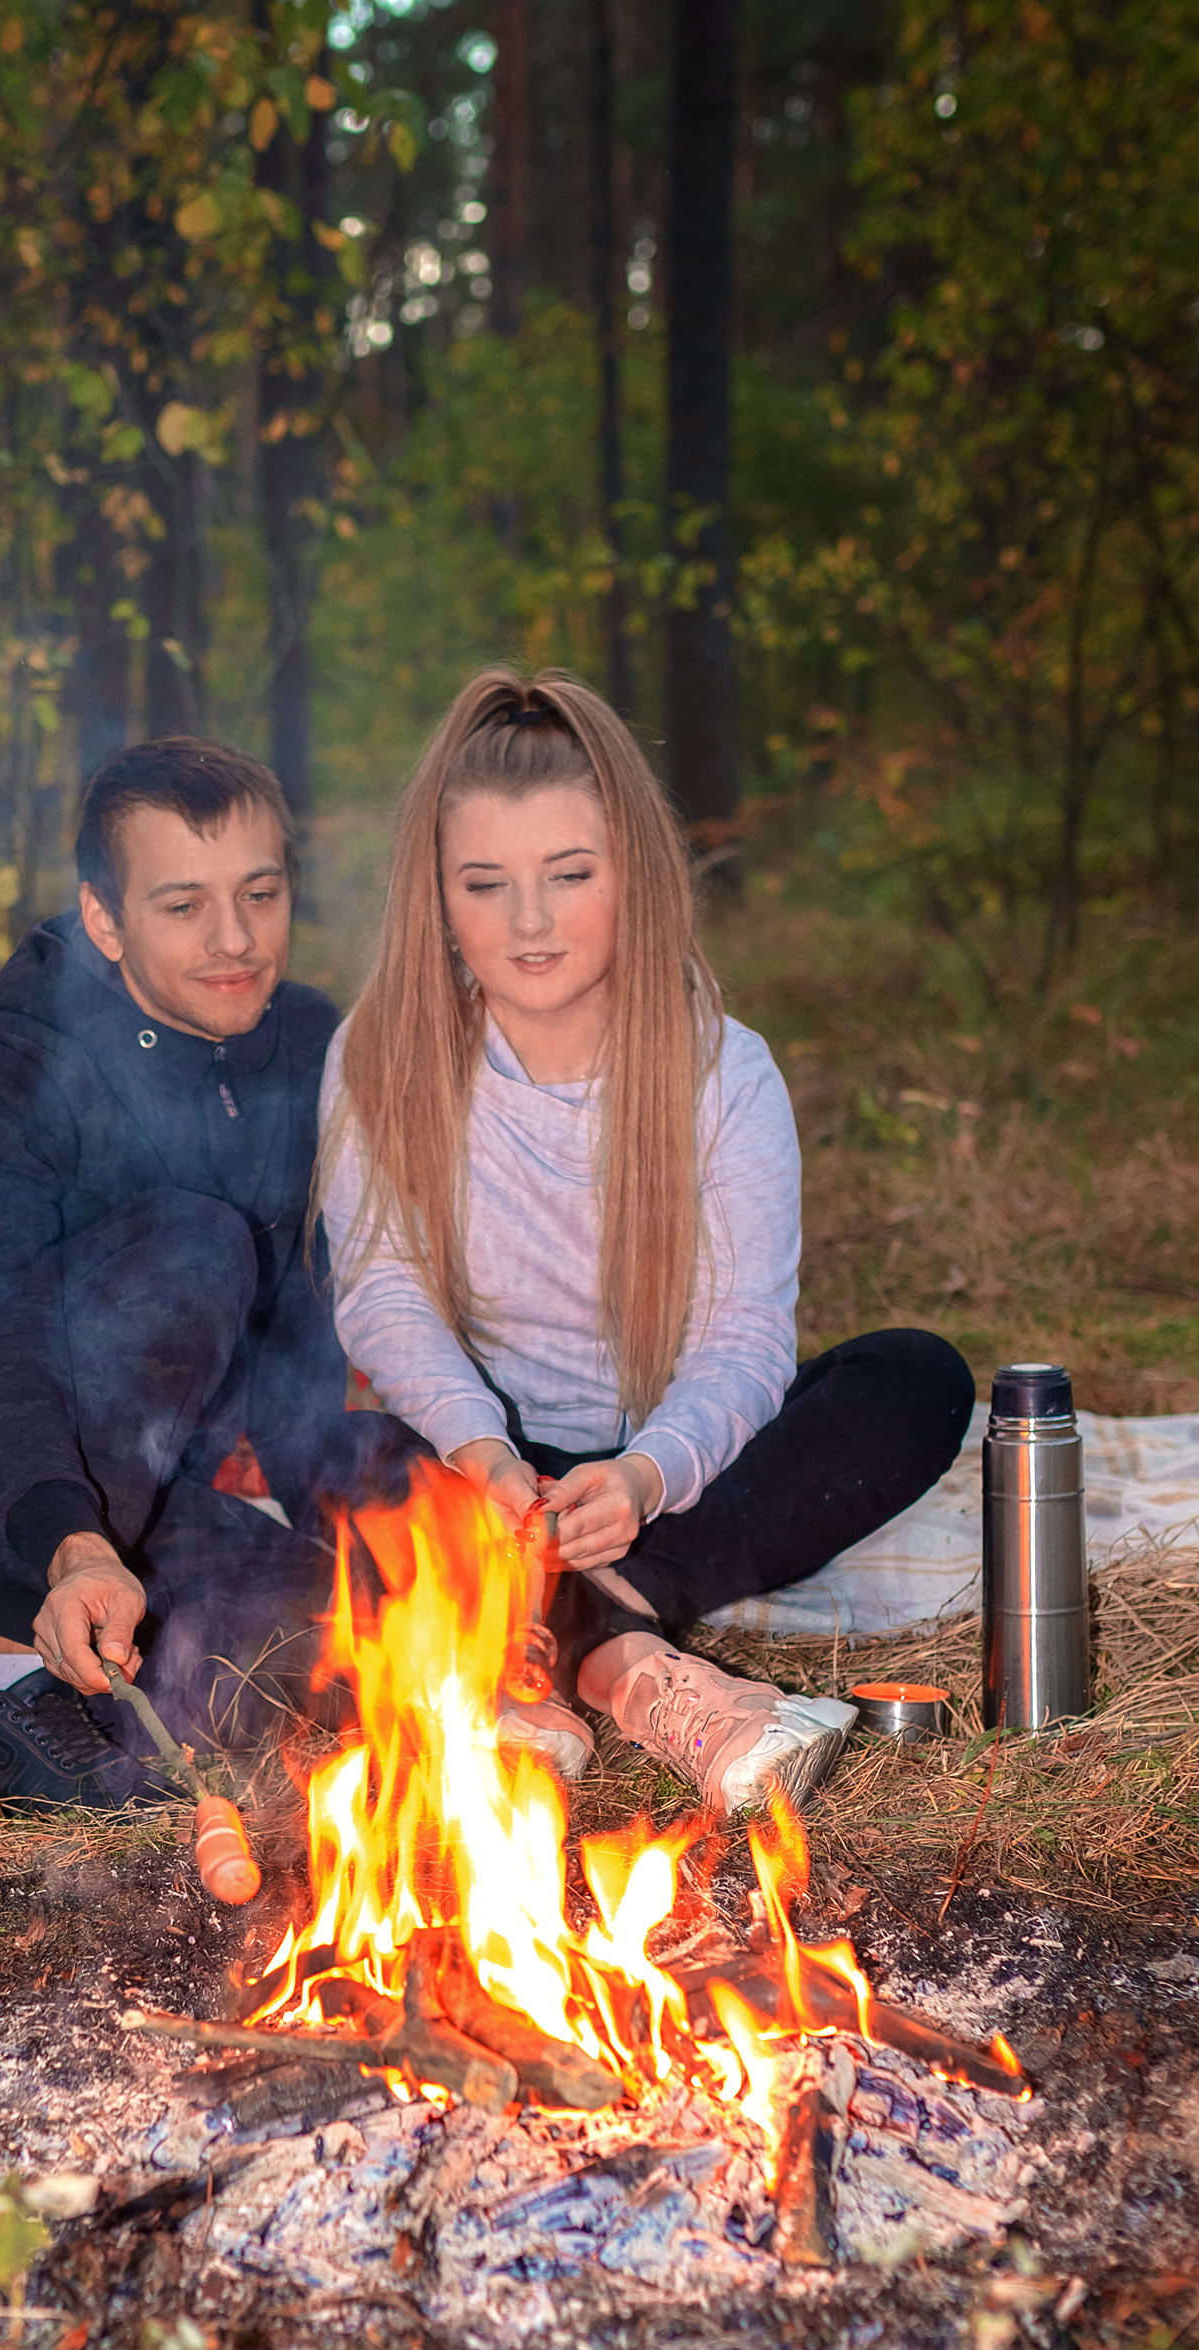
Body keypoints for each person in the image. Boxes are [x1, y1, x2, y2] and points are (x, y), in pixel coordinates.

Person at [317, 669, 974, 1817]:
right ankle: (629, 1659)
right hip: (479, 1470)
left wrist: (644, 1471)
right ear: (437, 896)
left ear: (633, 873)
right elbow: (380, 1294)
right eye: (487, 883)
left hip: (672, 1476)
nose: (530, 922)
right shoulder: (381, 1051)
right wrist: (483, 1455)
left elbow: (741, 1338)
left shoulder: (723, 1070)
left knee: (916, 1380)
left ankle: (555, 1634)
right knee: (329, 1454)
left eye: (569, 875)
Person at [0, 737, 391, 1805]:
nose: (235, 939)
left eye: (260, 893)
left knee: (348, 1638)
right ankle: (10, 1693)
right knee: (195, 1243)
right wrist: (69, 1548)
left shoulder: (308, 1044)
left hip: (132, 1485)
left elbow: (298, 1340)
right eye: (182, 905)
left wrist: (377, 1547)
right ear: (105, 918)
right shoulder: (5, 1072)